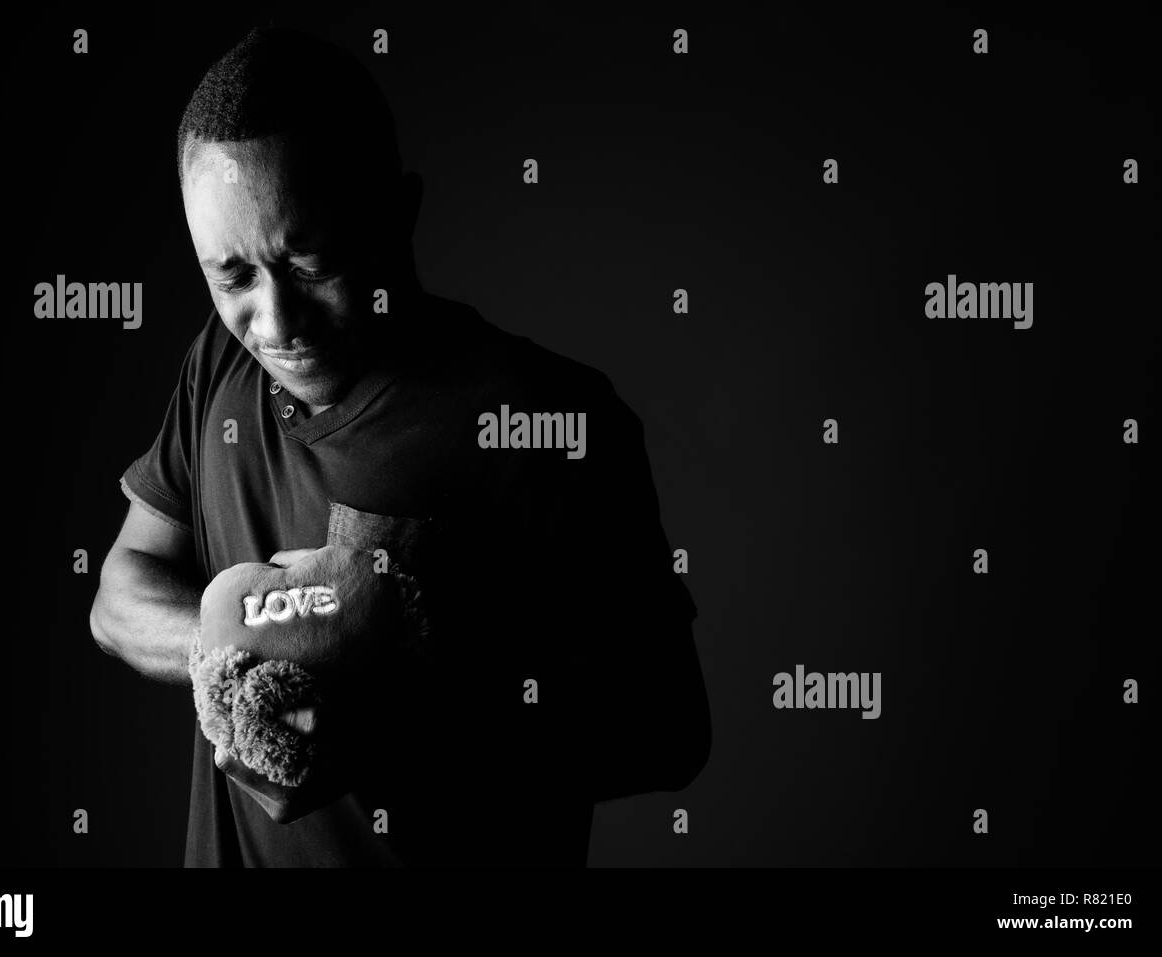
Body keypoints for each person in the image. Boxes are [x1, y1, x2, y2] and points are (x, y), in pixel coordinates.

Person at [89, 25, 711, 867]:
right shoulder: (217, 366)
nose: (273, 323)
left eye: (312, 263)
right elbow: (119, 592)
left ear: (398, 213)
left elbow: (669, 729)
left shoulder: (548, 418)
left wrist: (397, 714)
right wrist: (232, 665)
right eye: (232, 276)